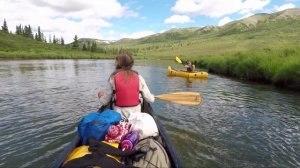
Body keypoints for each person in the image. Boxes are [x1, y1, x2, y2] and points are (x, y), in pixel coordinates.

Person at [98, 53, 155, 119]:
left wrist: (100, 95)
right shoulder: (139, 77)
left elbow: (105, 102)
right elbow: (150, 100)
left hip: (119, 116)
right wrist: (152, 97)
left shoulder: (113, 78)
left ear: (118, 64)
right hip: (136, 117)